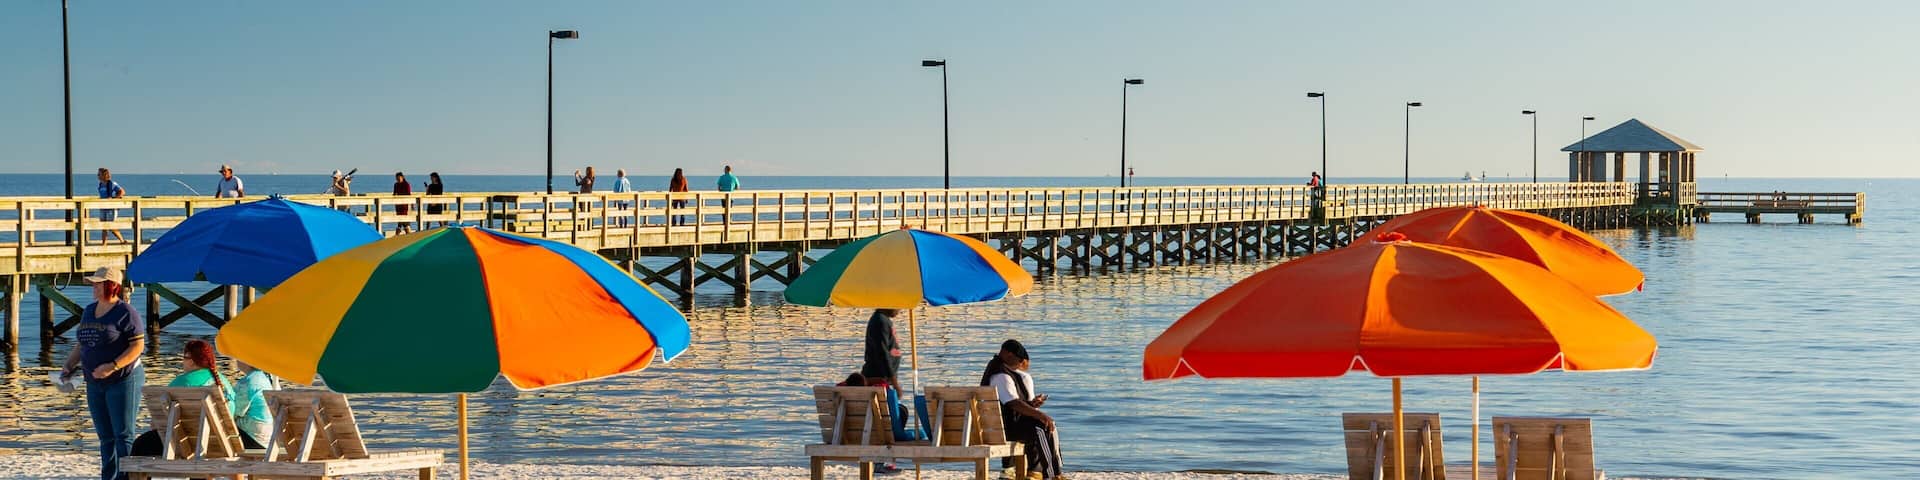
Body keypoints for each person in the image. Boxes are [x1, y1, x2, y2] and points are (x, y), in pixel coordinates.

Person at [62, 266, 145, 480]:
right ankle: (108, 476)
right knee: (105, 436)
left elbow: (137, 347)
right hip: (93, 381)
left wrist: (113, 366)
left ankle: (127, 477)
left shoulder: (125, 312)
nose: (94, 286)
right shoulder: (89, 310)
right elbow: (82, 344)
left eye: (99, 283)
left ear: (112, 286)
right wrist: (69, 365)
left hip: (123, 379)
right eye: (94, 282)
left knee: (123, 435)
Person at [131, 340, 257, 456]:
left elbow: (157, 422)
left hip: (190, 443)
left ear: (191, 361)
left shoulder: (182, 381)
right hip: (222, 443)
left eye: (184, 358)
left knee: (140, 445)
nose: (183, 362)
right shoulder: (223, 381)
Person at [981, 339, 1063, 480]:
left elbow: (1013, 403)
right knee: (1041, 428)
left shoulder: (1000, 371)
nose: (1020, 365)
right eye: (1020, 361)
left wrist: (1031, 405)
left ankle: (1051, 473)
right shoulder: (1001, 376)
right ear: (1008, 354)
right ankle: (1050, 475)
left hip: (1007, 425)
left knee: (1047, 426)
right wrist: (1041, 415)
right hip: (1005, 429)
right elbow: (1013, 404)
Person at [230, 357, 279, 444]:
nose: (236, 359)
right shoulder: (264, 378)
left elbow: (235, 411)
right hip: (267, 437)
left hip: (253, 437)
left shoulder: (248, 381)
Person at [96, 168, 126, 244]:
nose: (98, 176)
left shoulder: (112, 183)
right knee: (104, 227)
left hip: (111, 208)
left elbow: (122, 191)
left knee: (111, 226)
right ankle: (104, 244)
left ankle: (122, 240)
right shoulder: (100, 184)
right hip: (103, 207)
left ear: (104, 175)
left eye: (99, 174)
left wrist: (114, 198)